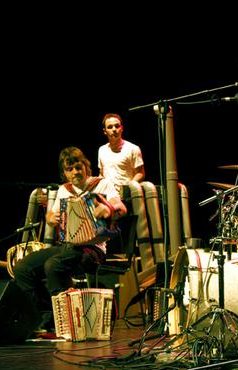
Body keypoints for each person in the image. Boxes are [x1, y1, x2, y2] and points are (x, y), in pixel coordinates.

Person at [13, 146, 127, 331]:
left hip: (93, 249)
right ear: (64, 173)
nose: (75, 172)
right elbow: (52, 216)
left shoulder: (101, 184)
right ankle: (40, 314)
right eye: (70, 169)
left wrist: (108, 209)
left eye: (78, 167)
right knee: (23, 268)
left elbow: (121, 207)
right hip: (68, 246)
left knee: (53, 265)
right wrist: (51, 218)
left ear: (86, 166)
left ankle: (62, 318)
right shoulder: (64, 190)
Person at [98, 113, 145, 191]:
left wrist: (128, 188)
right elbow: (102, 174)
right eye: (110, 127)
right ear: (105, 131)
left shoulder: (133, 148)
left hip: (126, 197)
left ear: (122, 128)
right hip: (108, 196)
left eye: (117, 126)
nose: (114, 129)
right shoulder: (102, 150)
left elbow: (140, 173)